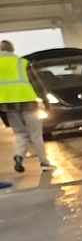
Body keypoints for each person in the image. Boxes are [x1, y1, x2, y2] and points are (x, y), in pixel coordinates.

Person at [0, 40, 50, 174]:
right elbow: (36, 84)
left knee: (20, 133)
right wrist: (46, 102)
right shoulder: (22, 62)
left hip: (8, 106)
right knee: (36, 134)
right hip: (28, 103)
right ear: (12, 49)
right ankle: (44, 163)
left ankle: (19, 156)